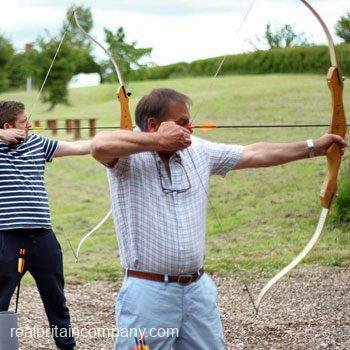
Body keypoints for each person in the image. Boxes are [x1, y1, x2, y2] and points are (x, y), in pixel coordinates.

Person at [91, 88, 345, 349]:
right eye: (181, 123)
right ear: (154, 124)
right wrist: (157, 141)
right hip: (147, 294)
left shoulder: (198, 150)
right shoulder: (126, 159)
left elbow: (255, 153)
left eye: (188, 122)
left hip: (196, 291)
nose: (189, 129)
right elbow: (99, 146)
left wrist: (313, 147)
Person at [0, 101, 92, 350]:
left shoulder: (38, 143)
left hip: (42, 237)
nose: (29, 125)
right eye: (23, 122)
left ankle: (66, 345)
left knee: (56, 299)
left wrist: (107, 142)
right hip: (7, 238)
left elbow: (79, 147)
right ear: (8, 126)